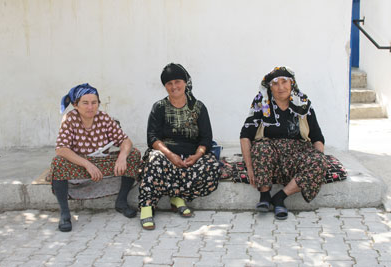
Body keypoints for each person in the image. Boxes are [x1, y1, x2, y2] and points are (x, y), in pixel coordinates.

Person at [49, 83, 141, 232]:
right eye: (85, 103)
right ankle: (65, 213)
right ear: (75, 105)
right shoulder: (70, 119)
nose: (90, 107)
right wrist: (87, 164)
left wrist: (122, 157)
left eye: (94, 102)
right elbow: (61, 149)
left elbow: (125, 141)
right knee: (58, 162)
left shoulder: (103, 117)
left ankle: (121, 202)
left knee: (133, 154)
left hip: (101, 163)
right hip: (80, 165)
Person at [139, 63, 220, 230]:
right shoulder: (159, 107)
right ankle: (146, 207)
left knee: (211, 165)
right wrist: (170, 155)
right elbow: (152, 137)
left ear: (185, 82)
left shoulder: (198, 107)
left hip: (191, 156)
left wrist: (197, 156)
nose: (174, 86)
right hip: (166, 155)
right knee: (154, 160)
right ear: (165, 86)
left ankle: (177, 197)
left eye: (177, 81)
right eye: (169, 83)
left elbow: (206, 138)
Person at [240, 66, 327, 220]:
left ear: (292, 83)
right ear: (269, 87)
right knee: (261, 148)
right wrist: (249, 168)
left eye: (284, 82)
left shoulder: (303, 103)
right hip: (269, 153)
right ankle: (265, 196)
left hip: (298, 152)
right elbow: (245, 135)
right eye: (275, 83)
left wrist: (317, 163)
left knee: (319, 160)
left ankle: (280, 197)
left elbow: (317, 137)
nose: (280, 87)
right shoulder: (262, 103)